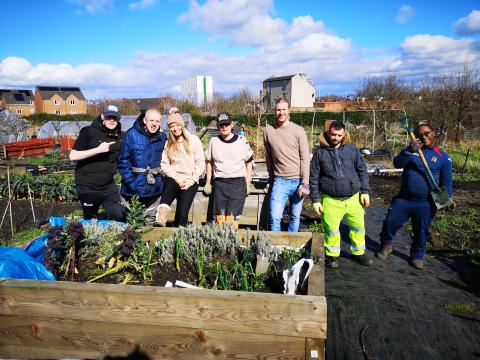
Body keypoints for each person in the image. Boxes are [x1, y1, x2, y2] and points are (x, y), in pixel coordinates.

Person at [376, 123, 453, 269]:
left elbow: (446, 181)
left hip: (426, 202)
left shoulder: (443, 157)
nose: (424, 137)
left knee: (421, 231)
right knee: (389, 223)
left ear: (434, 133)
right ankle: (386, 245)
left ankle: (417, 256)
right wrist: (409, 150)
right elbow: (397, 163)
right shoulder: (413, 151)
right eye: (420, 135)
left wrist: (446, 198)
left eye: (427, 133)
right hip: (403, 199)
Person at [310, 121, 372, 268]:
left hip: (353, 198)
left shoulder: (352, 150)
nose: (336, 137)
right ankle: (332, 257)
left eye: (339, 135)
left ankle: (359, 254)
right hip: (331, 200)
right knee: (331, 230)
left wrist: (365, 191)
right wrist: (316, 200)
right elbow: (313, 178)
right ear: (328, 133)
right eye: (333, 134)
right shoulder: (319, 153)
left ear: (344, 135)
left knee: (358, 227)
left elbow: (362, 170)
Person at [69, 104, 126, 221]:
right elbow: (73, 155)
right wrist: (98, 150)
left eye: (114, 118)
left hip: (108, 185)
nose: (111, 120)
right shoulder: (88, 132)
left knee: (118, 216)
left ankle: (115, 238)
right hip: (87, 186)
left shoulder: (121, 136)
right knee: (90, 220)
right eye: (108, 117)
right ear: (102, 116)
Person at [263, 98, 310, 232]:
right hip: (280, 181)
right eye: (278, 109)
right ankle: (275, 249)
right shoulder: (268, 131)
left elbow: (305, 158)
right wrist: (271, 180)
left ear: (289, 110)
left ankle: (291, 249)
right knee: (275, 217)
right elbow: (269, 157)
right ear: (274, 111)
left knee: (295, 216)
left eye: (284, 109)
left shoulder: (298, 130)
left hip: (298, 181)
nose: (281, 112)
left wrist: (305, 182)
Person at [117, 108, 167, 226]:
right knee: (133, 224)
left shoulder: (162, 137)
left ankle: (150, 244)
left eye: (157, 121)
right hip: (133, 190)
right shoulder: (131, 134)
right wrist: (130, 181)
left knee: (151, 225)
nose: (154, 124)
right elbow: (123, 161)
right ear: (145, 120)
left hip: (154, 189)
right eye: (151, 120)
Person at [203, 112, 254, 228]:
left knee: (232, 221)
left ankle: (231, 244)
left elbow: (249, 162)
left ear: (231, 125)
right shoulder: (214, 142)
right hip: (219, 184)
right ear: (218, 126)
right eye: (221, 125)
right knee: (219, 221)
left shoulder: (241, 141)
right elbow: (209, 162)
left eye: (226, 124)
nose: (224, 127)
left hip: (237, 184)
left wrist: (248, 182)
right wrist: (208, 182)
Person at [155, 113, 205, 227]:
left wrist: (191, 181)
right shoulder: (169, 143)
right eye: (172, 126)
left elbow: (200, 163)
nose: (175, 128)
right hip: (174, 178)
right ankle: (161, 216)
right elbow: (164, 164)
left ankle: (179, 234)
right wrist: (176, 177)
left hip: (190, 179)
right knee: (169, 188)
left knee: (182, 214)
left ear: (182, 125)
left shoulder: (193, 140)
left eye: (177, 125)